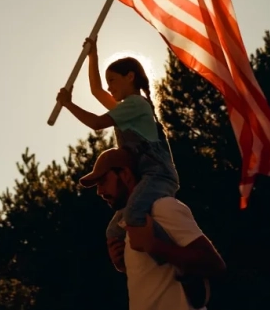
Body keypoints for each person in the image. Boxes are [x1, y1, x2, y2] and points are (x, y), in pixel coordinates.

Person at [56, 37, 180, 264]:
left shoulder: (135, 104)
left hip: (158, 175)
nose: (109, 87)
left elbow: (96, 123)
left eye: (113, 80)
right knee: (114, 230)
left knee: (132, 215)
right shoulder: (127, 109)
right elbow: (95, 90)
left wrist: (68, 104)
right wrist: (92, 54)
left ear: (130, 76)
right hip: (145, 178)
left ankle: (175, 257)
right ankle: (130, 266)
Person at [80, 148, 226, 310]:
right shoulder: (127, 225)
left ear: (126, 175)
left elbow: (214, 264)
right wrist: (123, 266)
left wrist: (154, 246)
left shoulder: (163, 207)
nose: (100, 191)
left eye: (103, 182)